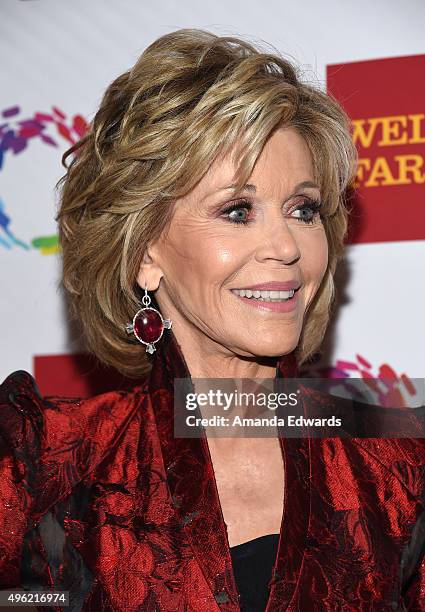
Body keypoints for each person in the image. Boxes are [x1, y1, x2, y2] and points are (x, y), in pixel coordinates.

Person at [0, 28, 424, 612]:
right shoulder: (46, 462)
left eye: (303, 209)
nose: (286, 247)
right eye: (238, 210)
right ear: (145, 250)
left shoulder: (396, 464)